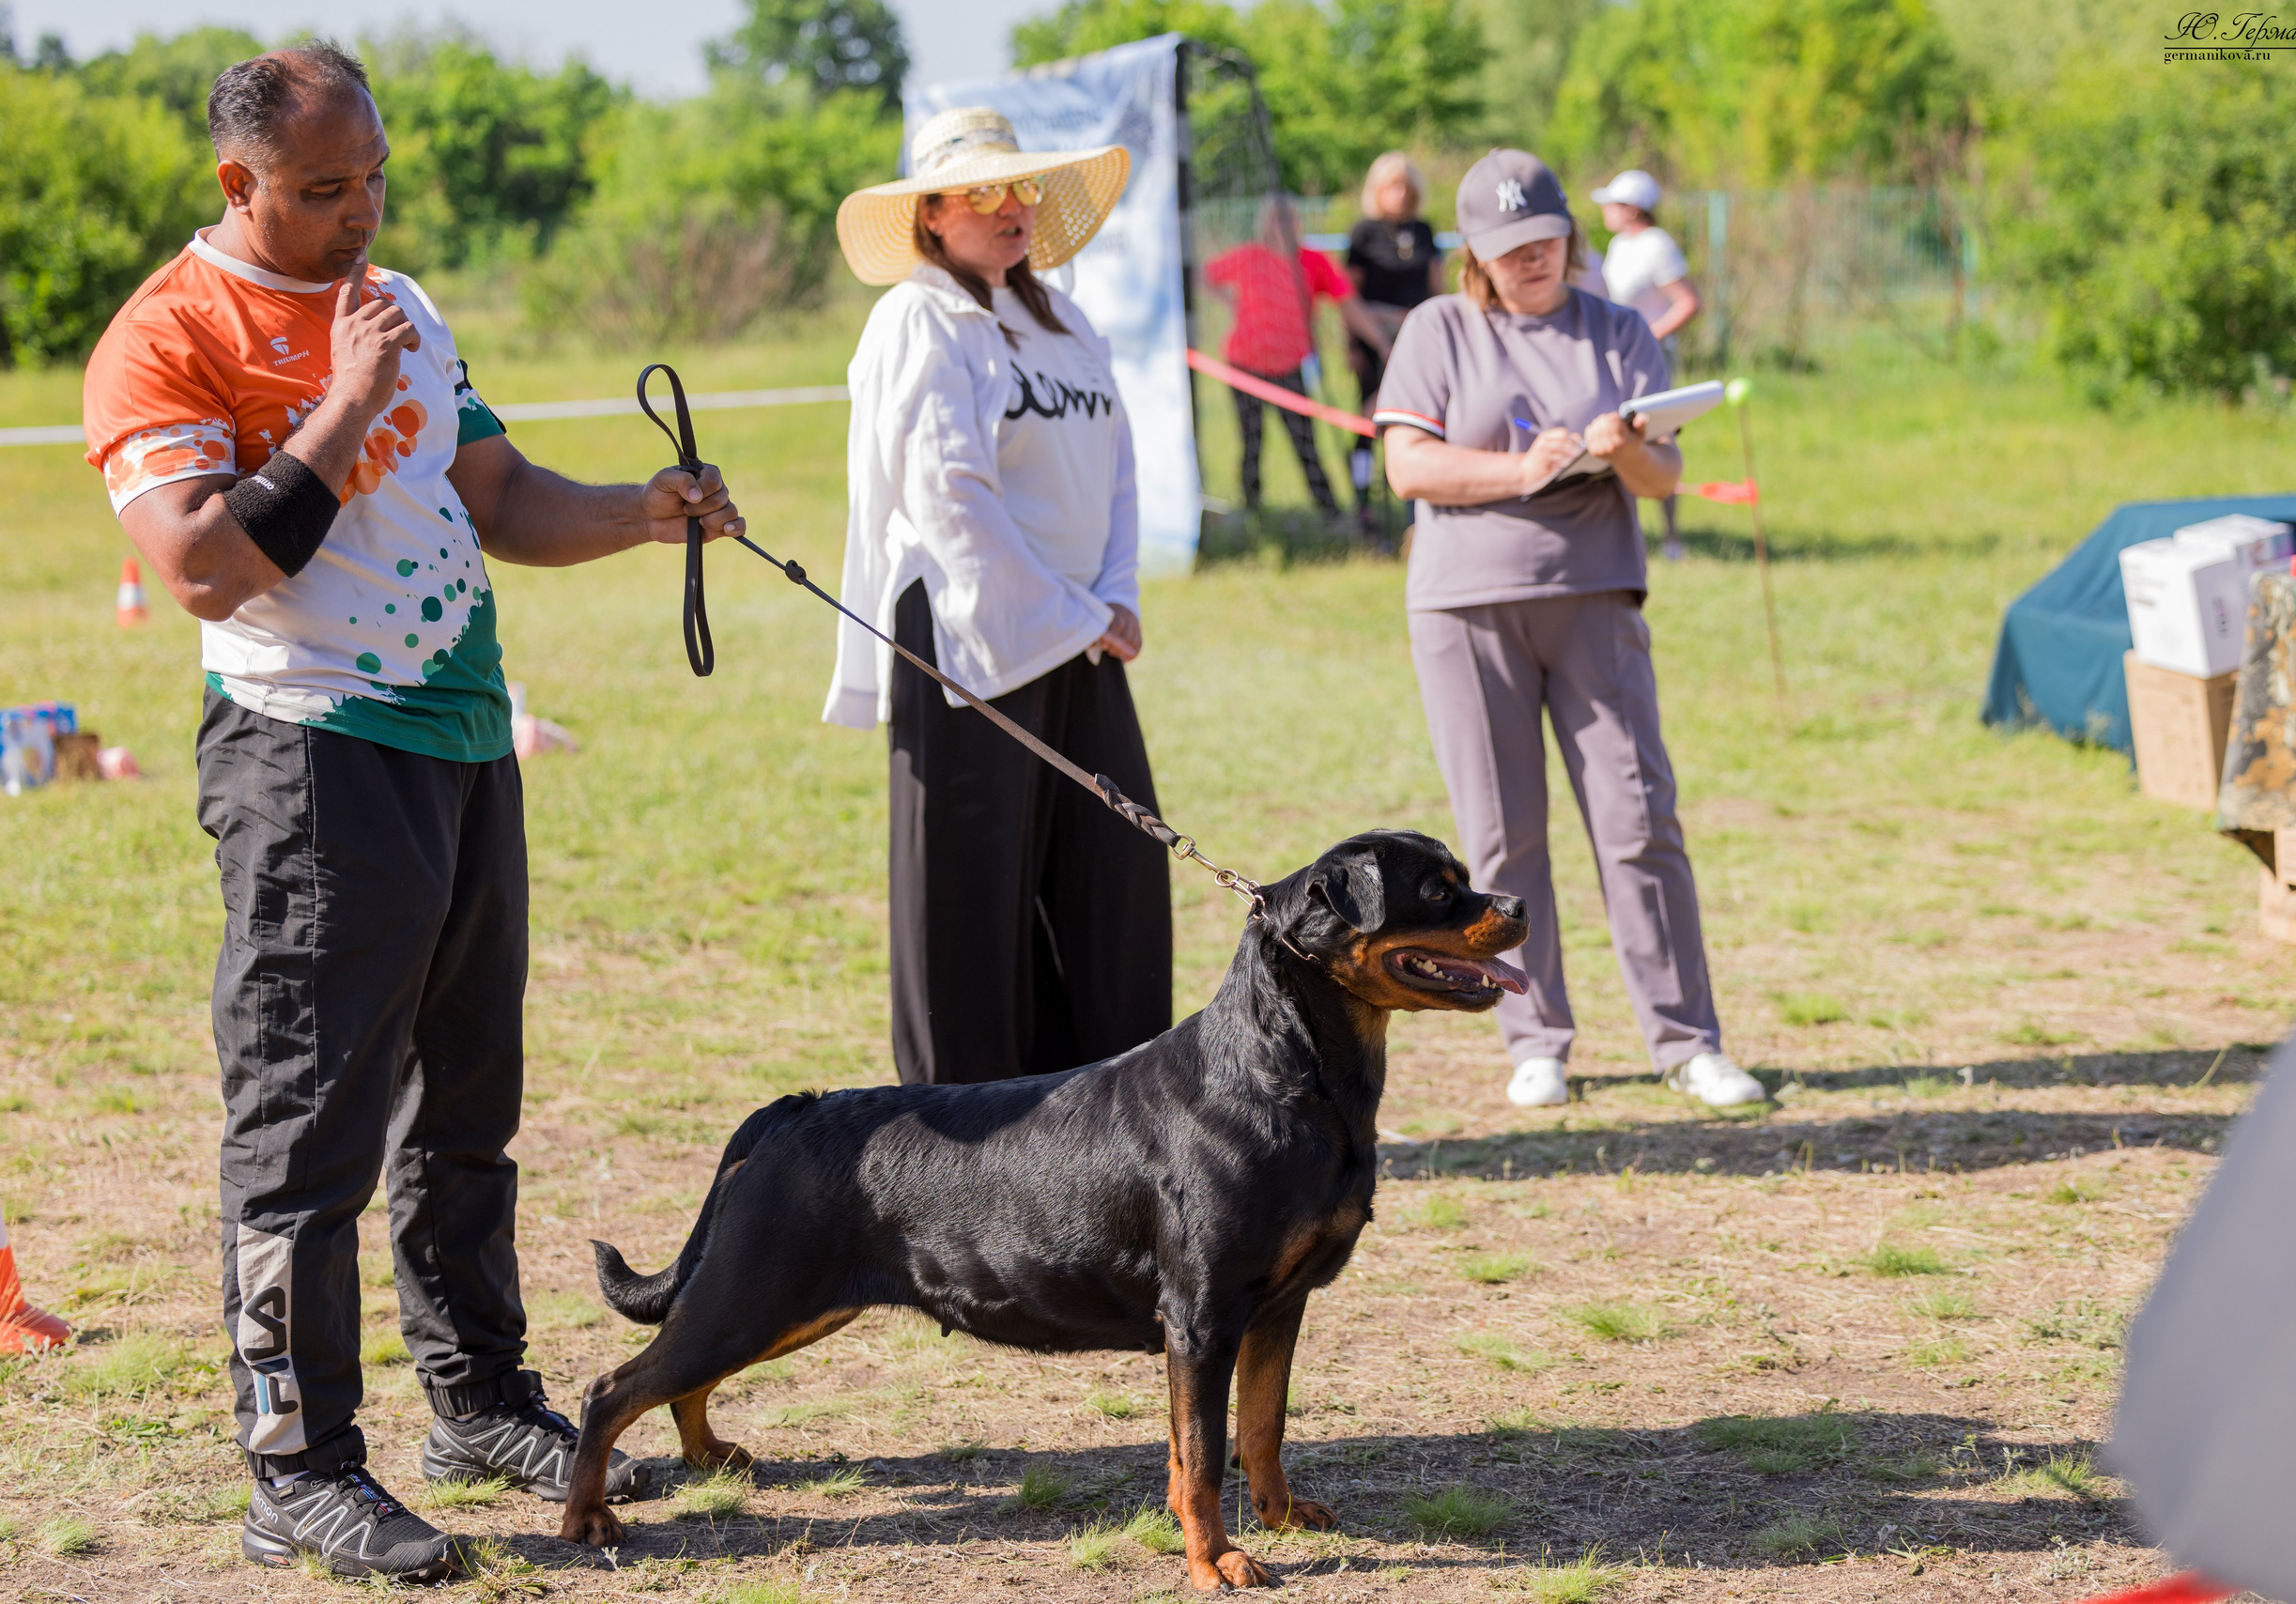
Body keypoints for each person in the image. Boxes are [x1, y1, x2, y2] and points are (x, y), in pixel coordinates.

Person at [80, 44, 745, 1579]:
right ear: (238, 184)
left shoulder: (407, 304)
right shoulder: (170, 334)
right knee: (304, 1137)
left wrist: (645, 513)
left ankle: (476, 1397)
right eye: (325, 189)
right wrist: (344, 401)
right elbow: (201, 565)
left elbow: (499, 497)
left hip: (459, 740)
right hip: (306, 754)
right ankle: (297, 1468)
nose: (361, 210)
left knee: (468, 1107)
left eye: (376, 175)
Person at [1372, 149, 1760, 1113]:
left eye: (1544, 240)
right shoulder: (1436, 329)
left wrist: (1625, 449)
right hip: (1465, 606)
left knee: (1638, 822)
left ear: (1569, 237)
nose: (1530, 260)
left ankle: (1686, 1040)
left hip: (1594, 595)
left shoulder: (1619, 330)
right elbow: (1407, 469)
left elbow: (1664, 479)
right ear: (1475, 253)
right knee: (1500, 837)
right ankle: (1533, 1038)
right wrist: (1522, 470)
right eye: (1509, 249)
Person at [826, 108, 1171, 1087]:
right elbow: (948, 496)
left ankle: (1110, 1117)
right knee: (969, 906)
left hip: (1082, 633)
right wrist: (1070, 611)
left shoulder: (1064, 320)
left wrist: (1113, 592)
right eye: (982, 192)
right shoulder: (919, 316)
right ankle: (963, 1136)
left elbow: (1117, 469)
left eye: (1023, 187)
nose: (1012, 208)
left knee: (1112, 888)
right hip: (967, 639)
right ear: (931, 215)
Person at [1206, 195, 1386, 522]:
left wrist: (1380, 341)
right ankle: (1252, 513)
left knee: (1306, 442)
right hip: (1245, 365)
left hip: (1289, 367)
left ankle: (1332, 514)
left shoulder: (1313, 261)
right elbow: (1205, 274)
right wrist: (1228, 303)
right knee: (1251, 442)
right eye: (1277, 219)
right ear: (1266, 223)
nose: (1284, 225)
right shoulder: (1250, 256)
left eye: (1289, 219)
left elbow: (1348, 303)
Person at [1591, 169, 1702, 560]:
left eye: (1613, 202)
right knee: (1620, 439)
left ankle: (1672, 537)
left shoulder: (1657, 245)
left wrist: (1648, 336)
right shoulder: (1620, 245)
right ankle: (1626, 533)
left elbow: (1688, 302)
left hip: (1649, 357)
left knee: (1657, 438)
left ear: (1633, 207)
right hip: (1615, 355)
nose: (1605, 209)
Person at [1345, 152, 1442, 535]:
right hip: (1376, 338)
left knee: (1421, 416)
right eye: (1391, 187)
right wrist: (1355, 343)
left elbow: (1436, 287)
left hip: (1418, 336)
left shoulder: (1423, 231)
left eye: (1405, 186)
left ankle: (1417, 508)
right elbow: (1349, 296)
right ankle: (1364, 501)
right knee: (1369, 417)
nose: (1399, 194)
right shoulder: (1364, 233)